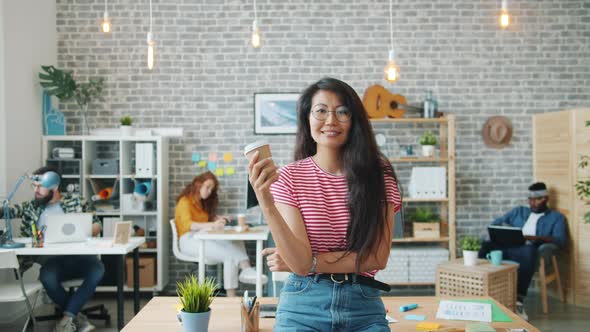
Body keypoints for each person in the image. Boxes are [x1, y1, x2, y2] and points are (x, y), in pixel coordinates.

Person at [250, 77, 401, 331]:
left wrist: (310, 262)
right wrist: (266, 203)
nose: (331, 120)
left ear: (354, 121)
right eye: (321, 111)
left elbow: (377, 257)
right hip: (302, 305)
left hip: (363, 306)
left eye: (342, 112)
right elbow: (299, 264)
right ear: (307, 118)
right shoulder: (290, 177)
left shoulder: (380, 175)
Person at [0, 166, 104, 332]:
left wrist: (81, 231)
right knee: (47, 277)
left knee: (97, 269)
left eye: (40, 186)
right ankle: (73, 318)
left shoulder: (77, 201)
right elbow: (7, 211)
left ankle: (68, 318)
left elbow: (97, 224)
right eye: (33, 186)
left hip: (80, 258)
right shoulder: (30, 207)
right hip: (53, 262)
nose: (36, 190)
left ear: (54, 186)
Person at [479, 182, 567, 320]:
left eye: (537, 200)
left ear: (545, 199)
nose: (532, 203)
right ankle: (482, 292)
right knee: (485, 245)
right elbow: (496, 223)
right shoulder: (519, 211)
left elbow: (560, 240)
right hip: (509, 246)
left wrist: (534, 238)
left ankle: (518, 300)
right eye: (530, 200)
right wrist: (505, 232)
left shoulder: (556, 217)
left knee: (528, 250)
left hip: (529, 249)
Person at [174, 171, 267, 297]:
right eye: (207, 187)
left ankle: (246, 269)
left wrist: (217, 219)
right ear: (198, 184)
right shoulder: (185, 202)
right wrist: (213, 225)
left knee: (234, 241)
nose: (209, 191)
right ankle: (233, 292)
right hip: (188, 241)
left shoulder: (201, 203)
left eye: (211, 189)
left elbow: (203, 221)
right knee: (228, 255)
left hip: (202, 236)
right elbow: (189, 225)